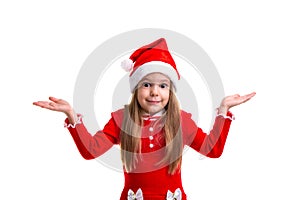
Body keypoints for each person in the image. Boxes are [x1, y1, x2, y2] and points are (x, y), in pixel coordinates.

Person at [33, 38, 256, 200]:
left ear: (171, 90)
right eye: (146, 84)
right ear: (136, 88)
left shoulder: (180, 120)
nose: (154, 92)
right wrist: (71, 115)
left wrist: (223, 110)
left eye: (163, 85)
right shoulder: (121, 120)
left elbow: (212, 150)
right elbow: (90, 151)